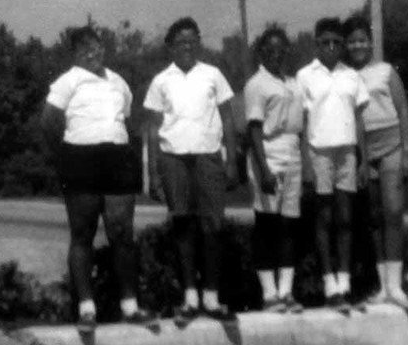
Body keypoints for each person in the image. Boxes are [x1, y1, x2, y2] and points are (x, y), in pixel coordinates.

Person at [41, 26, 154, 331]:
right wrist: (64, 155)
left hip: (116, 158)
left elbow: (126, 120)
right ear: (75, 54)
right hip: (79, 159)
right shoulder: (68, 81)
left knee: (122, 233)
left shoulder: (119, 82)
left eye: (96, 46)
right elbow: (49, 122)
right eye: (84, 48)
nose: (92, 52)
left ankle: (130, 306)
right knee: (83, 233)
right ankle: (86, 309)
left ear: (104, 48)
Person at [144, 17, 239, 321]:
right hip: (174, 160)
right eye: (180, 42)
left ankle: (212, 298)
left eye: (192, 40)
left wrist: (233, 160)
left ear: (198, 42)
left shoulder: (212, 74)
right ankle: (190, 297)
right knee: (183, 225)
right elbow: (152, 129)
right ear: (170, 47)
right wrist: (154, 173)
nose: (187, 46)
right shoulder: (161, 80)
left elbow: (227, 118)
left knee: (212, 226)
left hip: (208, 158)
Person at [296, 17, 369, 308]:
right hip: (319, 152)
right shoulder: (304, 76)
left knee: (346, 218)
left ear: (342, 46)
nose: (331, 47)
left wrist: (363, 160)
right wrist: (305, 163)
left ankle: (345, 282)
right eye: (325, 42)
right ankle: (329, 285)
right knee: (323, 218)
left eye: (336, 43)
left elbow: (360, 121)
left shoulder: (351, 76)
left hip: (347, 152)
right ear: (316, 44)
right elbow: (301, 122)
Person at [343, 15, 408, 307]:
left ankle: (396, 288)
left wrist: (407, 151)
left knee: (393, 212)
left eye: (362, 39)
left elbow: (403, 110)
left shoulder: (386, 71)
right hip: (363, 150)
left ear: (371, 42)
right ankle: (383, 287)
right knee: (373, 218)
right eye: (352, 41)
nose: (358, 45)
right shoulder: (344, 75)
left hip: (392, 146)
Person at [243, 26, 305, 313]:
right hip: (268, 154)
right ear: (261, 51)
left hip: (292, 153)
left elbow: (299, 127)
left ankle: (286, 292)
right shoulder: (257, 84)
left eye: (281, 50)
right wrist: (264, 170)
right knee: (267, 226)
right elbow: (254, 130)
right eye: (269, 50)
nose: (275, 55)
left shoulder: (293, 83)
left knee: (289, 226)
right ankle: (268, 294)